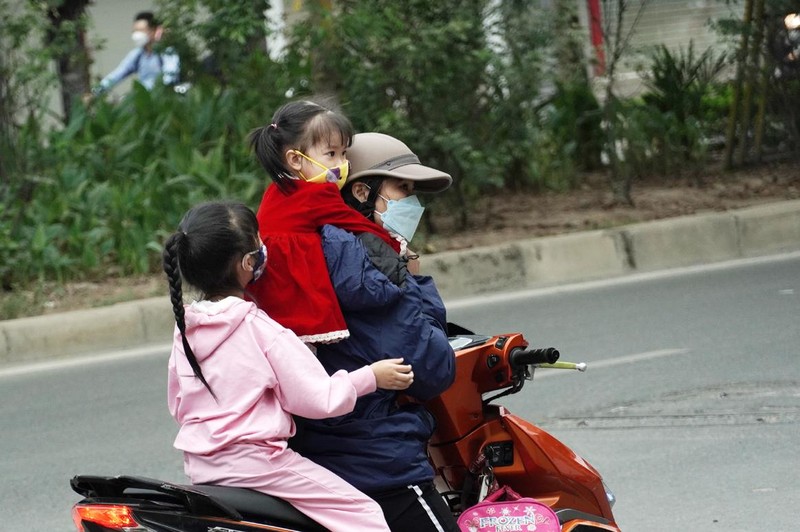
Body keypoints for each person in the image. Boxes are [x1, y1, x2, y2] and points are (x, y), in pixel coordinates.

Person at [162, 200, 415, 531]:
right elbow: (318, 400)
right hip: (259, 465)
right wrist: (371, 376)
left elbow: (178, 403)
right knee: (364, 514)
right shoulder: (260, 329)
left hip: (202, 467)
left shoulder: (187, 329)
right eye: (258, 240)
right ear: (247, 262)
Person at [290, 132, 460, 531]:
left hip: (315, 451)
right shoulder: (369, 263)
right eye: (403, 188)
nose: (413, 202)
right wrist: (414, 280)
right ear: (363, 192)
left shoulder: (314, 246)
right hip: (374, 457)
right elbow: (432, 367)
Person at [249, 99, 402, 344]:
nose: (341, 164)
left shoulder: (276, 190)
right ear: (295, 160)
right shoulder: (317, 194)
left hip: (265, 292)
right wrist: (396, 246)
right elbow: (356, 224)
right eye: (331, 154)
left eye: (343, 154)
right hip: (298, 297)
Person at [91, 11, 180, 97]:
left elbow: (170, 76)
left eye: (141, 30)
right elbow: (117, 74)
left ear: (153, 31)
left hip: (163, 100)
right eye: (135, 31)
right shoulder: (138, 54)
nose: (136, 35)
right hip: (144, 99)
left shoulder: (167, 52)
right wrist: (95, 91)